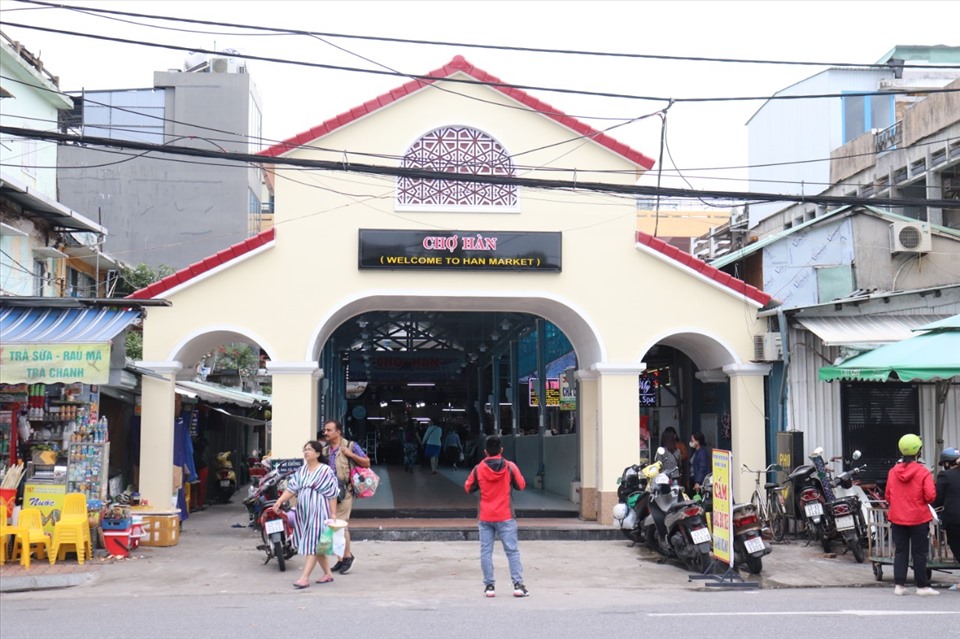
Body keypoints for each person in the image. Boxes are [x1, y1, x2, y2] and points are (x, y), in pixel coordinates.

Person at [464, 435, 529, 598]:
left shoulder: (478, 469)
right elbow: (521, 485)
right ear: (501, 450)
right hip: (506, 516)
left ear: (485, 451)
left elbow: (468, 488)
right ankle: (518, 585)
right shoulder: (510, 467)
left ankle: (489, 587)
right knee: (512, 551)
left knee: (486, 551)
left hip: (485, 517)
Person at [271, 440, 339, 589]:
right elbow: (292, 489)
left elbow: (332, 494)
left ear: (318, 453)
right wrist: (279, 501)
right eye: (305, 450)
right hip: (303, 512)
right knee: (316, 544)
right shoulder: (301, 471)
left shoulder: (325, 471)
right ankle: (328, 574)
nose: (306, 452)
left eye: (309, 449)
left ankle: (304, 577)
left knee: (312, 544)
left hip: (319, 512)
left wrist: (333, 514)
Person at [885, 433, 940, 596]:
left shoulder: (893, 471)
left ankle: (899, 586)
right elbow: (930, 496)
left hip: (897, 517)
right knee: (919, 552)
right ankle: (922, 586)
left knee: (900, 551)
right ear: (919, 452)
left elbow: (887, 495)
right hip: (918, 518)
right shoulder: (923, 472)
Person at [322, 419, 370, 575]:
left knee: (340, 525)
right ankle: (341, 559)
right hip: (329, 493)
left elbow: (367, 463)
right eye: (325, 430)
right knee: (335, 526)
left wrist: (350, 455)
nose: (326, 433)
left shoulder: (350, 446)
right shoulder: (325, 451)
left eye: (329, 430)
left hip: (345, 491)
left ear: (338, 432)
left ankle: (347, 557)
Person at [933, 446, 960, 591]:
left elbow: (938, 499)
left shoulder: (945, 476)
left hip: (955, 520)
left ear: (947, 463)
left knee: (957, 546)